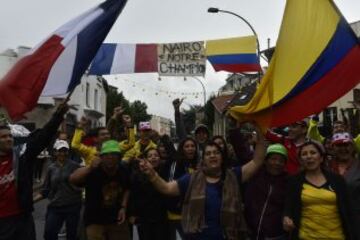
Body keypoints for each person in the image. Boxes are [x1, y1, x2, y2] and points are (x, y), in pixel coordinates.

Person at [140, 124, 266, 240]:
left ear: (222, 157)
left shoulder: (233, 175)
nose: (212, 156)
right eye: (208, 154)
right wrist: (152, 174)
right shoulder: (191, 178)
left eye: (216, 153)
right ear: (203, 159)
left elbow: (257, 161)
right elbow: (166, 188)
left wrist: (259, 129)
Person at [0, 102, 68, 240]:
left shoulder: (21, 154)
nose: (9, 139)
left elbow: (43, 136)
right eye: (3, 137)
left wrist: (58, 115)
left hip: (22, 217)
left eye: (10, 136)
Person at [283, 140, 357, 240]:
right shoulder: (294, 182)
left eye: (313, 153)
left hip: (336, 236)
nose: (309, 156)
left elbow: (348, 209)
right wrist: (286, 217)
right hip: (306, 236)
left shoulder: (337, 180)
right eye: (304, 154)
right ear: (300, 160)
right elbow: (288, 205)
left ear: (321, 158)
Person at [69, 140, 130, 240]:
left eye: (113, 154)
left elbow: (127, 188)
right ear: (101, 157)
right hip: (95, 220)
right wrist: (89, 168)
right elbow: (73, 179)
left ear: (119, 157)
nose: (110, 157)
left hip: (117, 220)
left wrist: (123, 207)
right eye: (106, 155)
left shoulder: (123, 170)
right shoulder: (94, 170)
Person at [34, 140, 82, 240]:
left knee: (72, 235)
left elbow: (82, 184)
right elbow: (46, 190)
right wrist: (31, 201)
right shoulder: (51, 168)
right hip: (56, 206)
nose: (62, 153)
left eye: (65, 151)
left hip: (72, 206)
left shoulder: (75, 166)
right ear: (55, 152)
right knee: (49, 234)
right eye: (60, 151)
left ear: (68, 152)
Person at [244, 144, 288, 240]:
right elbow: (242, 152)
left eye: (281, 160)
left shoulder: (288, 182)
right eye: (273, 159)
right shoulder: (256, 174)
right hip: (250, 233)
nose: (277, 163)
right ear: (265, 160)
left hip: (275, 236)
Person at [161, 137, 199, 240]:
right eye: (187, 146)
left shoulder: (198, 165)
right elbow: (171, 186)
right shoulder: (176, 164)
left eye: (192, 146)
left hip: (192, 215)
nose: (190, 148)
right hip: (176, 214)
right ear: (182, 149)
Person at [128, 148, 168, 240]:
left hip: (161, 218)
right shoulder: (137, 174)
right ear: (145, 159)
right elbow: (133, 195)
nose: (153, 158)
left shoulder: (165, 172)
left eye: (156, 155)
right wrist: (132, 214)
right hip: (144, 218)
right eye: (150, 156)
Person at [330, 132, 360, 237]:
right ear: (333, 148)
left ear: (352, 147)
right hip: (331, 221)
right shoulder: (326, 166)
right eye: (339, 145)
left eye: (346, 145)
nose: (343, 149)